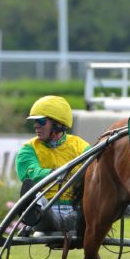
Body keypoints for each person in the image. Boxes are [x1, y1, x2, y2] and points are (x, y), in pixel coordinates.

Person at [15, 95, 90, 232]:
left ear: (58, 123)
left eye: (41, 121)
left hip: (78, 208)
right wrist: (59, 172)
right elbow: (32, 175)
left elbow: (94, 171)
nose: (36, 125)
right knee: (34, 194)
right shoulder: (28, 149)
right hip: (46, 209)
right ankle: (40, 218)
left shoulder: (81, 146)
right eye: (35, 121)